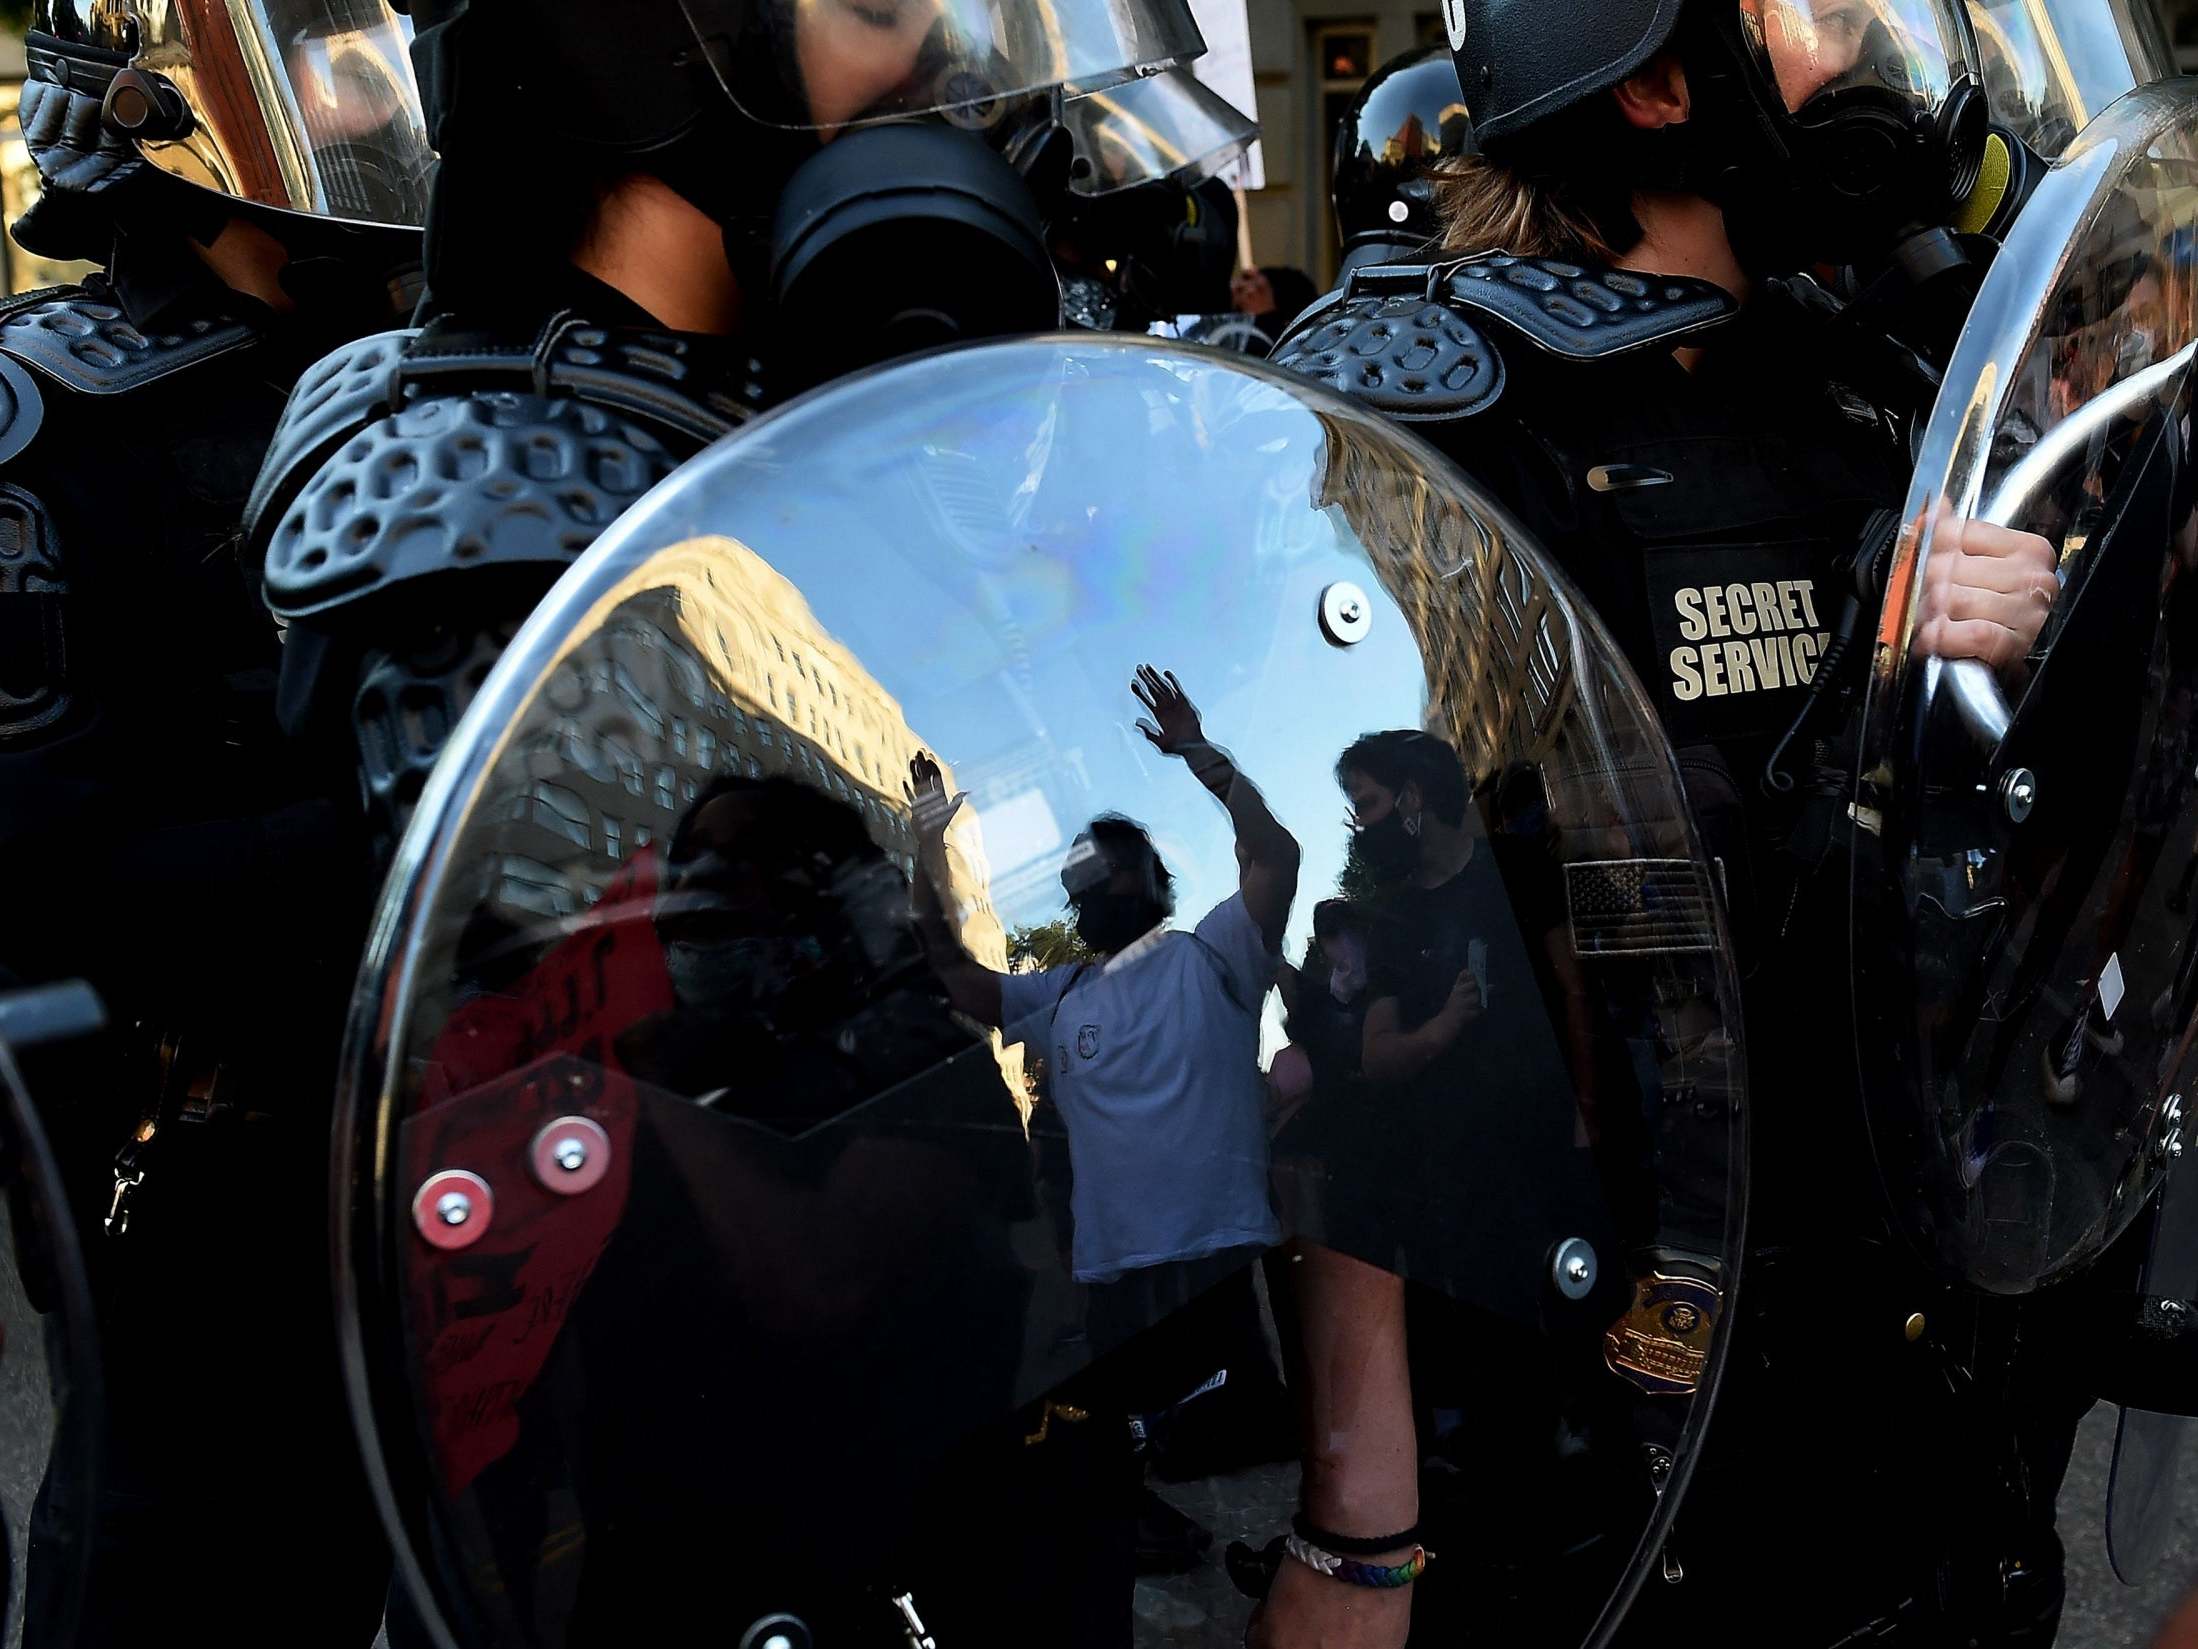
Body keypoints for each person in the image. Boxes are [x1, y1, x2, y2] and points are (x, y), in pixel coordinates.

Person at [1266, 2, 2078, 1644]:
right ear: (1651, 78)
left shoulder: (1872, 384)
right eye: (1820, 17)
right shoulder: (1437, 417)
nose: (1871, 50)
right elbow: (1345, 967)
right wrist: (1359, 1516)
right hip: (1598, 1401)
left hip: (1891, 1349)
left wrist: (2018, 678)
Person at [0, 4, 430, 1643]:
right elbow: (39, 852)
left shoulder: (409, 381)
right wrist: (379, 829)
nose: (354, 103)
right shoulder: (45, 418)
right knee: (162, 1563)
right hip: (178, 1144)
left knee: (371, 1545)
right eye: (308, 65)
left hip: (410, 1118)